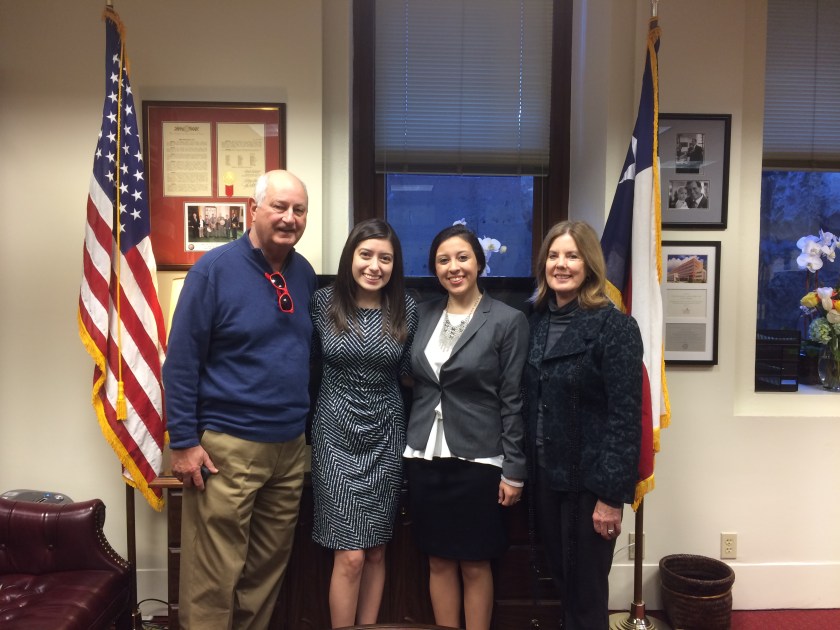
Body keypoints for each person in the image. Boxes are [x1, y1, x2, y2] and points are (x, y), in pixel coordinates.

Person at [163, 169, 317, 630]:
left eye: (299, 210)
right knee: (213, 576)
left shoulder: (304, 273)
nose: (289, 218)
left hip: (289, 448)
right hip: (228, 449)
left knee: (265, 574)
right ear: (254, 209)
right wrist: (183, 441)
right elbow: (182, 360)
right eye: (279, 207)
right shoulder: (213, 271)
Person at [404, 224, 528, 630]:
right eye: (443, 260)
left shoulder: (508, 320)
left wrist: (514, 470)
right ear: (434, 268)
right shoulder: (421, 314)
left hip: (480, 459)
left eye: (462, 257)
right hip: (424, 455)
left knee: (475, 562)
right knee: (438, 560)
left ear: (479, 263)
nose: (453, 267)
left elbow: (513, 398)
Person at [525, 220, 643, 629]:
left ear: (589, 265)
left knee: (586, 593)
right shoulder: (536, 321)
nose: (561, 264)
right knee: (563, 583)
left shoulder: (616, 327)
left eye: (572, 256)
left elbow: (626, 417)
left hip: (590, 485)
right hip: (545, 476)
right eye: (553, 255)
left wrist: (611, 497)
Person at [310, 218, 418, 627]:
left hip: (386, 434)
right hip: (334, 434)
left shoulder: (406, 307)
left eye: (385, 258)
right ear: (350, 257)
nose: (375, 266)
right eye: (366, 255)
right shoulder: (322, 302)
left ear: (394, 264)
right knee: (350, 554)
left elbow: (409, 374)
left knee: (375, 550)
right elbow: (305, 363)